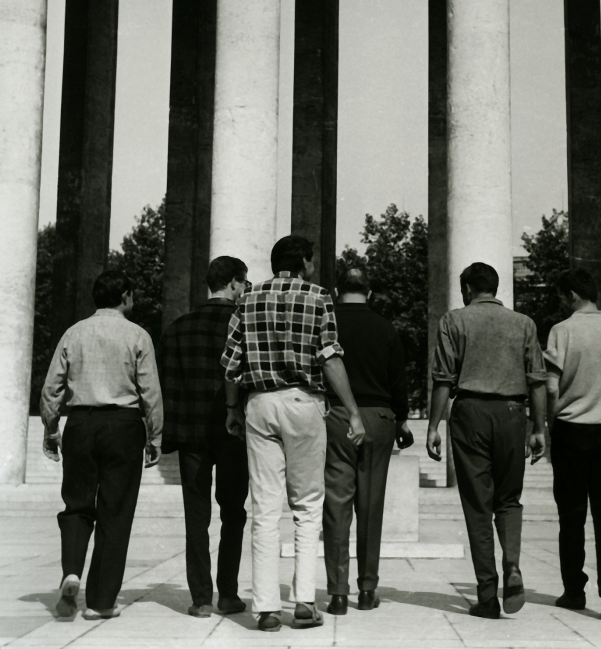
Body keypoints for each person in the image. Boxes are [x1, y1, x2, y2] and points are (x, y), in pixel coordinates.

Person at [221, 235, 366, 633]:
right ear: (304, 261)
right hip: (304, 402)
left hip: (260, 402)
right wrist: (353, 411)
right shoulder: (319, 297)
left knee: (265, 509)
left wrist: (233, 409)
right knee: (307, 505)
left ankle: (267, 608)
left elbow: (231, 364)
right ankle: (303, 601)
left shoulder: (248, 299)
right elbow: (329, 357)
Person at [426, 261, 547, 619]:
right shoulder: (524, 323)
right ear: (495, 288)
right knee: (508, 500)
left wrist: (433, 426)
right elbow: (537, 381)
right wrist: (538, 428)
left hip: (471, 413)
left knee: (478, 505)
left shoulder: (454, 321)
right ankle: (512, 565)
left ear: (466, 289)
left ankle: (487, 595)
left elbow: (443, 379)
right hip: (512, 413)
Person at [41, 269, 163, 621]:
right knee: (116, 512)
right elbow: (150, 392)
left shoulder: (73, 333)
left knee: (76, 505)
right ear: (125, 296)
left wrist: (51, 428)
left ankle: (71, 571)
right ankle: (100, 601)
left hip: (81, 423)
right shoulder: (138, 335)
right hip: (123, 426)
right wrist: (155, 435)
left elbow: (51, 389)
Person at [157, 256, 251, 618]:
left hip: (191, 433)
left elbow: (168, 386)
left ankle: (200, 598)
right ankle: (228, 593)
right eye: (244, 283)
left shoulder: (177, 328)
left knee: (196, 516)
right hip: (232, 432)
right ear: (234, 283)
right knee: (233, 513)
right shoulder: (243, 325)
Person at [323, 265, 414, 615]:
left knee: (337, 506)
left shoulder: (328, 323)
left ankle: (337, 593)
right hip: (379, 418)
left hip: (336, 416)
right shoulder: (386, 327)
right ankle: (366, 589)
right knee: (371, 506)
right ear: (370, 292)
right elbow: (398, 381)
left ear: (336, 291)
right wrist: (401, 420)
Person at [545, 267, 601, 620]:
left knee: (571, 516)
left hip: (572, 430)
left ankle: (574, 591)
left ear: (572, 295)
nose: (561, 303)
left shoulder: (562, 330)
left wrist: (548, 425)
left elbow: (551, 387)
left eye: (561, 297)